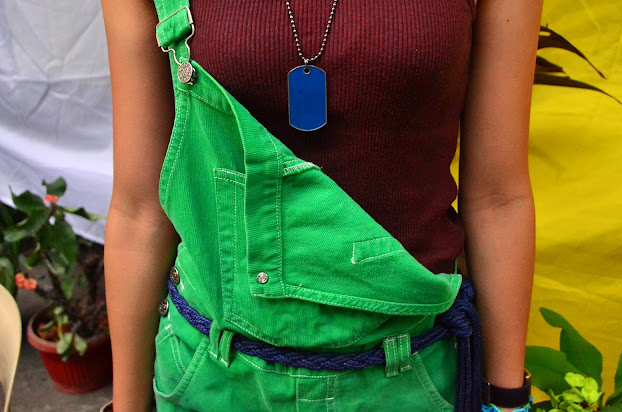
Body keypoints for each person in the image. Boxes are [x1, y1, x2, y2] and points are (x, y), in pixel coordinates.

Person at [102, 0, 541, 410]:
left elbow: (498, 198)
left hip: (412, 377)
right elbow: (139, 211)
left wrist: (507, 399)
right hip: (210, 375)